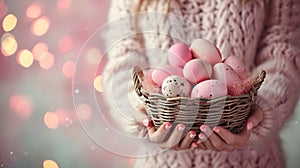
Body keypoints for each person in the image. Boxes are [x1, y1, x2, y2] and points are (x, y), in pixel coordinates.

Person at [102, 0, 300, 167]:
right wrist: (141, 112)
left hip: (253, 160)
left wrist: (258, 113)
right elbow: (122, 63)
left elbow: (284, 56)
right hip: (162, 162)